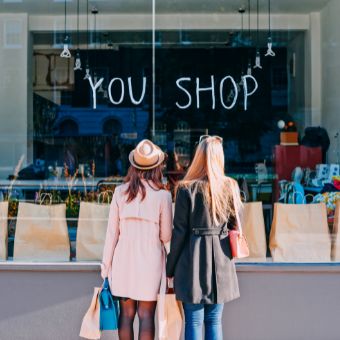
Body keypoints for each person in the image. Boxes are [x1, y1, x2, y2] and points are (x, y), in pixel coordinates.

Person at [166, 136, 243, 340]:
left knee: (192, 321)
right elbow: (235, 227)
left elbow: (179, 233)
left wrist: (170, 268)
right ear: (219, 158)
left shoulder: (185, 188)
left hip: (191, 262)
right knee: (214, 321)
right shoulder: (230, 187)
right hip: (221, 262)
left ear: (198, 157)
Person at [101, 139, 173, 340]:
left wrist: (105, 268)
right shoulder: (163, 196)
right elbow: (167, 236)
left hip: (123, 260)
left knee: (126, 315)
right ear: (157, 167)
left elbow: (112, 234)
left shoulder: (119, 192)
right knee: (146, 315)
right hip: (150, 262)